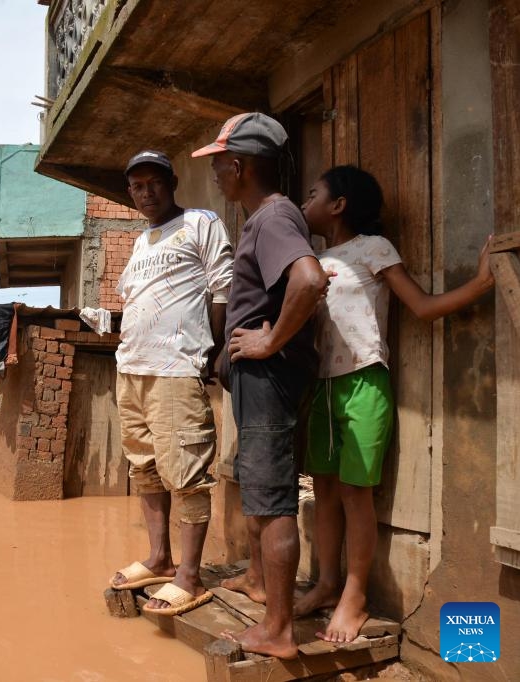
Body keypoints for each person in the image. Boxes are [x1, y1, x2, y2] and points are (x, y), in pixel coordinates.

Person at [294, 165, 494, 642]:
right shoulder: (313, 258)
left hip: (364, 380)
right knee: (322, 489)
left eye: (314, 193)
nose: (306, 201)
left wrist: (482, 283)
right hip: (321, 387)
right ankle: (327, 583)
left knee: (353, 492)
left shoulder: (373, 249)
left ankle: (356, 595)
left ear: (339, 205)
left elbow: (421, 307)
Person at [192, 112, 329, 659]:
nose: (217, 176)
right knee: (257, 487)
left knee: (272, 501)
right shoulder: (265, 218)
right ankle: (257, 581)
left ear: (239, 165)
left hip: (269, 375)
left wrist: (270, 342)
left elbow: (309, 279)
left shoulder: (272, 218)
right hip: (257, 378)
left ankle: (277, 631)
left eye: (219, 165)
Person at [108, 150, 234, 617]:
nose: (146, 193)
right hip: (132, 368)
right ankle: (160, 557)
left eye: (154, 183)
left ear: (173, 182)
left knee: (186, 473)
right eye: (137, 186)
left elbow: (223, 286)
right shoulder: (141, 244)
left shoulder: (200, 222)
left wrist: (216, 348)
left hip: (177, 367)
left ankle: (191, 574)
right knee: (144, 467)